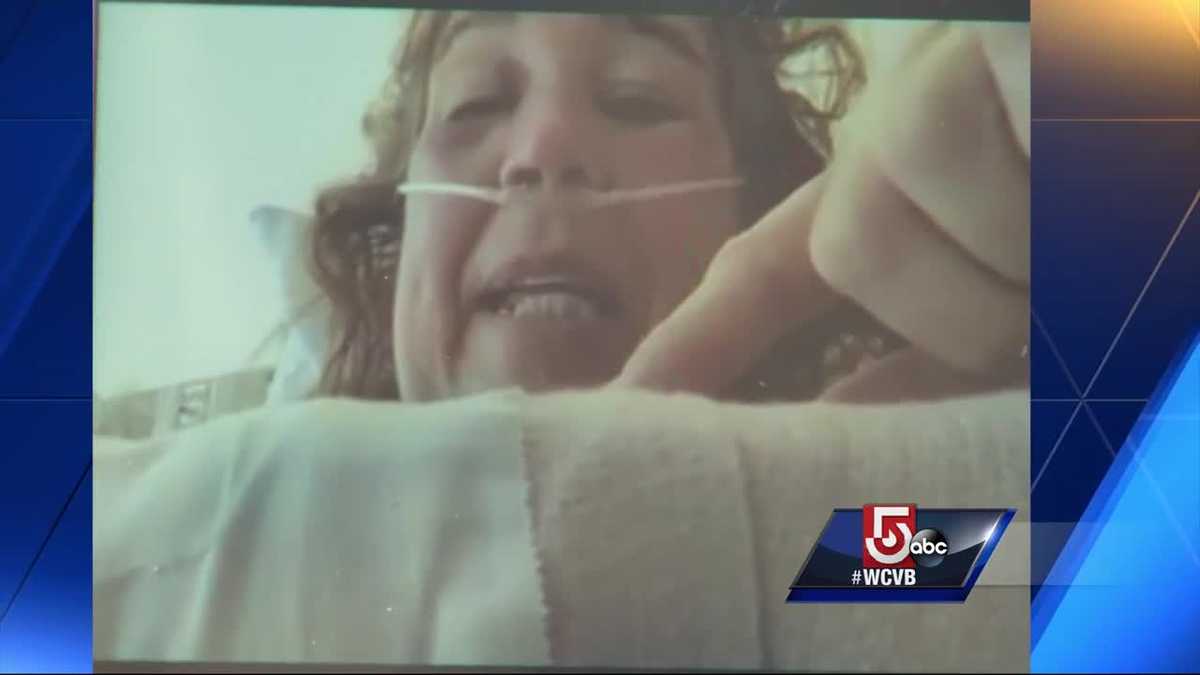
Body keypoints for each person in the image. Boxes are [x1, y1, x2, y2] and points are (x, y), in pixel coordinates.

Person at [94, 11, 1031, 671]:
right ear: (398, 245)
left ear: (761, 207)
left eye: (635, 99)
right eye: (472, 106)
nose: (540, 147)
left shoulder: (833, 548)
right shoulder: (129, 512)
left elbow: (1030, 554)